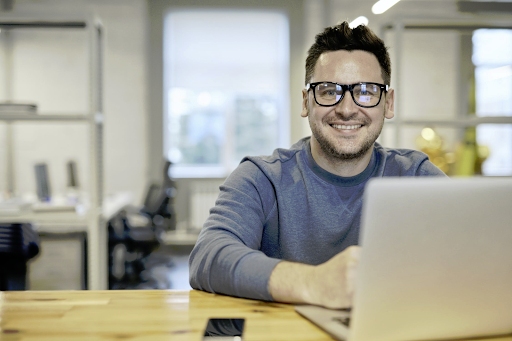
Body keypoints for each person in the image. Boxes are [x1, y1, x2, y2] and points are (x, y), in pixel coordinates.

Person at [188, 21, 446, 309]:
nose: (347, 109)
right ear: (305, 101)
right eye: (328, 91)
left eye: (366, 91)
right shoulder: (261, 178)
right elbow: (209, 257)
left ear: (388, 102)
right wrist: (314, 283)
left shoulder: (415, 177)